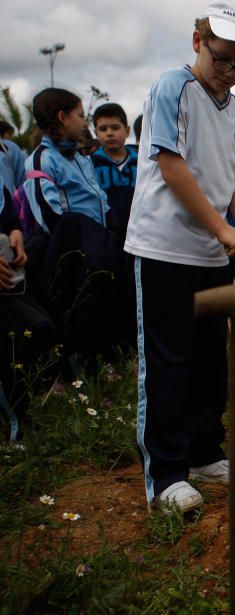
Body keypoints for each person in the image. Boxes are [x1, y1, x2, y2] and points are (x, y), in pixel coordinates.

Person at [125, 0, 235, 513]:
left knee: (211, 362)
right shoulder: (174, 87)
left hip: (213, 255)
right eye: (222, 59)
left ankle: (203, 451)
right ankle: (164, 475)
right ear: (197, 42)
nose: (230, 74)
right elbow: (171, 165)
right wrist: (221, 228)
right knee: (168, 362)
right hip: (164, 248)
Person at [23, 88, 127, 365]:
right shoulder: (41, 158)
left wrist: (110, 233)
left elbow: (100, 198)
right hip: (70, 252)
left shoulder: (81, 158)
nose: (84, 121)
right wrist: (84, 240)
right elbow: (49, 215)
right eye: (80, 115)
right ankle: (70, 367)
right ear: (62, 117)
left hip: (99, 245)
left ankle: (103, 358)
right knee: (74, 308)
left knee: (103, 304)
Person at [0, 165, 57, 444]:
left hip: (10, 285)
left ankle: (21, 418)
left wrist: (16, 234)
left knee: (38, 328)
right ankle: (15, 427)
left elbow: (9, 214)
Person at [90, 102, 139, 239]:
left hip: (139, 234)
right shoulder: (89, 165)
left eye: (115, 127)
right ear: (96, 133)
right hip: (104, 235)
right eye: (103, 129)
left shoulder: (142, 163)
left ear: (127, 130)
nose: (109, 133)